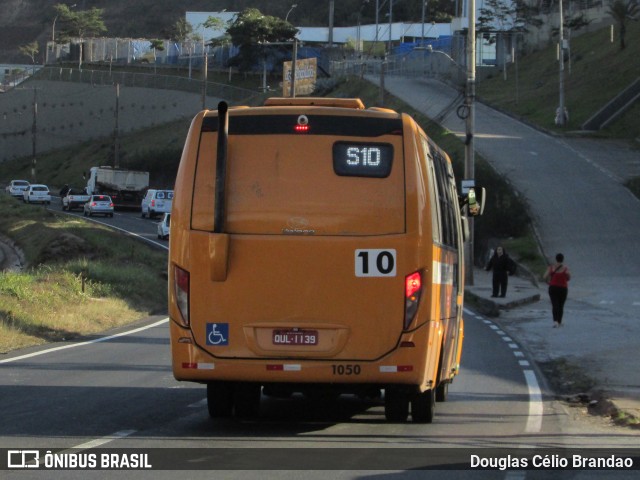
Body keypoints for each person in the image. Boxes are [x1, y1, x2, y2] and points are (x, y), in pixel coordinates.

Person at [543, 253, 571, 328]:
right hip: (563, 288)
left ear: (556, 259)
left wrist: (548, 282)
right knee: (561, 305)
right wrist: (565, 278)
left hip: (553, 288)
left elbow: (544, 276)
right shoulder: (565, 268)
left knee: (554, 304)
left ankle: (555, 321)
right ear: (563, 259)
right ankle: (559, 321)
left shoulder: (551, 267)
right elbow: (569, 277)